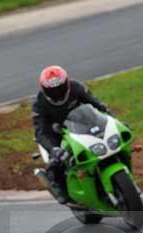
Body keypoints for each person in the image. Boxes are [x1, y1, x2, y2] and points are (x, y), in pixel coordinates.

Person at [32, 65, 108, 203]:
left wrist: (107, 113)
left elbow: (95, 103)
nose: (57, 93)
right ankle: (58, 188)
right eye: (52, 90)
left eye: (59, 88)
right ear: (44, 89)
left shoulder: (76, 87)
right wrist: (53, 149)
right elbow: (40, 131)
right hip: (55, 134)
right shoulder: (39, 103)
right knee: (57, 163)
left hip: (80, 124)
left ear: (66, 82)